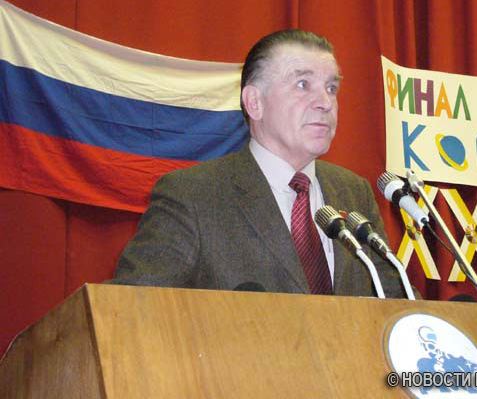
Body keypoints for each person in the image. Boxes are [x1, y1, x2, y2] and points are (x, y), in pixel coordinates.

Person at [111, 29, 406, 298]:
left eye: (331, 88)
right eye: (303, 84)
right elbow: (133, 307)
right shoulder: (192, 195)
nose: (325, 103)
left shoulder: (353, 192)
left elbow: (397, 302)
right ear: (254, 102)